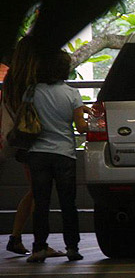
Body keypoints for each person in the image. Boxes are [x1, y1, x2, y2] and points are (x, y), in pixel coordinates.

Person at [2, 37, 65, 257]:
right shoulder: (32, 82)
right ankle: (38, 242)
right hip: (36, 141)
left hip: (21, 141)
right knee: (39, 192)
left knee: (36, 191)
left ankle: (16, 237)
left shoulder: (12, 79)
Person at [26, 48, 89, 263]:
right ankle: (72, 247)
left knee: (41, 203)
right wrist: (90, 120)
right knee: (68, 203)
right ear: (65, 69)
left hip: (37, 154)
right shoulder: (72, 94)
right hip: (64, 154)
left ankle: (39, 247)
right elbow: (80, 128)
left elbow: (24, 119)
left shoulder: (31, 92)